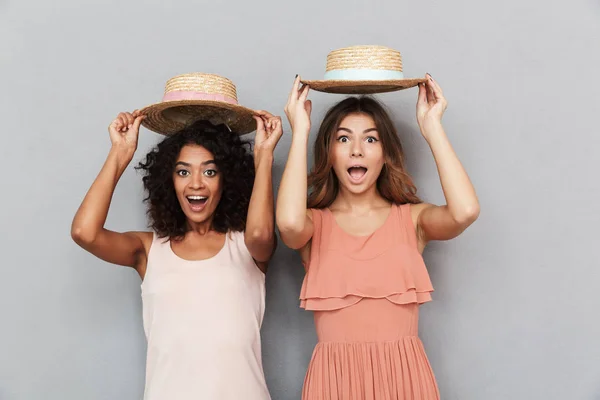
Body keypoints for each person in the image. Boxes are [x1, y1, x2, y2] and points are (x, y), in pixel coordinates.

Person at [276, 74, 480, 399]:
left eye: (370, 140)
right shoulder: (313, 225)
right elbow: (287, 223)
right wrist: (300, 132)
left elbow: (465, 211)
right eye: (343, 139)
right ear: (328, 153)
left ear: (385, 154)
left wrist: (432, 127)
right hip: (335, 385)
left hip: (405, 382)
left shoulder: (411, 219)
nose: (357, 150)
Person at [71, 107, 282, 399]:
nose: (196, 183)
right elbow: (85, 232)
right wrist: (119, 154)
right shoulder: (148, 250)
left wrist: (264, 157)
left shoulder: (246, 245)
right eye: (183, 171)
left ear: (227, 180)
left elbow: (260, 233)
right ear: (169, 182)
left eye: (210, 171)